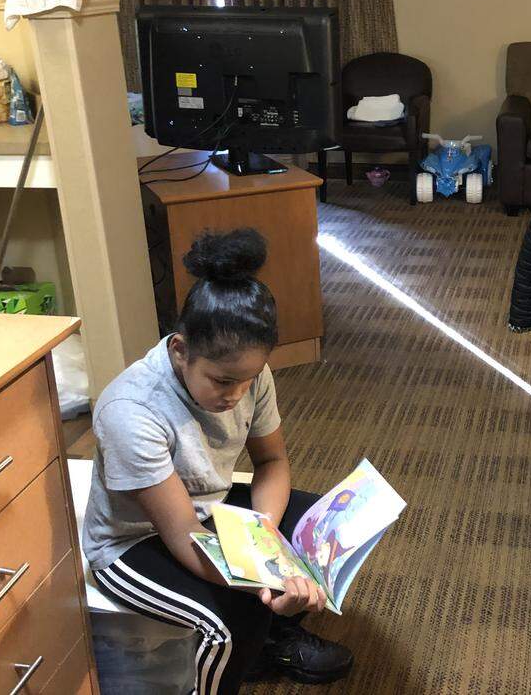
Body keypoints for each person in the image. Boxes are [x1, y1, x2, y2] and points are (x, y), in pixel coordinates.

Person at [82, 228, 353, 693]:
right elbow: (184, 535)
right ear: (180, 349)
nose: (237, 395)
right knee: (231, 621)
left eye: (248, 379)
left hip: (211, 507)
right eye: (223, 381)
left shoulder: (250, 373)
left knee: (326, 526)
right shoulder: (131, 411)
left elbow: (272, 462)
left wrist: (263, 537)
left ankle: (274, 637)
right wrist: (266, 576)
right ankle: (241, 650)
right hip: (136, 541)